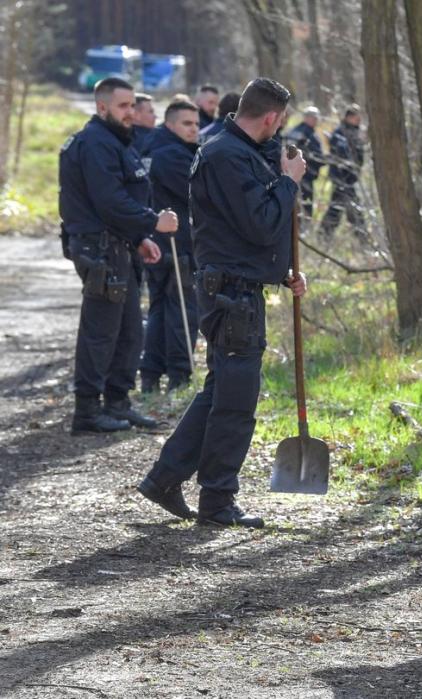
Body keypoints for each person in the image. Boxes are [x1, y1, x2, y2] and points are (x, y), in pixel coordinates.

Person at [136, 77, 307, 528]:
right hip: (230, 294)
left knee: (220, 392)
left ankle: (164, 478)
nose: (280, 131)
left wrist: (283, 270)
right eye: (280, 123)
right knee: (235, 401)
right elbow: (261, 223)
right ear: (270, 117)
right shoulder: (225, 156)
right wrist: (290, 184)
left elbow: (252, 231)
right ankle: (217, 500)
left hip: (239, 287)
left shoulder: (241, 151)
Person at [59, 77, 178, 433]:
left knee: (128, 331)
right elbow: (109, 201)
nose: (131, 113)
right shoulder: (96, 143)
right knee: (100, 331)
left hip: (118, 246)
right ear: (103, 107)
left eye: (133, 106)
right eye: (124, 106)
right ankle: (87, 412)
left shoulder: (113, 140)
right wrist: (152, 222)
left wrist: (139, 237)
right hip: (100, 250)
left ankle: (117, 403)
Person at [139, 100, 200, 394]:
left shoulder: (149, 148)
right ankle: (178, 373)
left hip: (154, 241)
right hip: (174, 244)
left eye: (197, 124)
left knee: (161, 309)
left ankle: (151, 373)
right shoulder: (172, 154)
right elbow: (197, 196)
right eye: (187, 124)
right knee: (181, 311)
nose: (194, 129)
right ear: (171, 123)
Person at [318, 104, 366, 240]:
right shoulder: (341, 133)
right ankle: (362, 237)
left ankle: (324, 235)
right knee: (352, 209)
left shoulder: (353, 132)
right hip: (342, 177)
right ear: (349, 118)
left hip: (349, 177)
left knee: (337, 207)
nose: (359, 121)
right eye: (357, 118)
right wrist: (346, 171)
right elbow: (341, 155)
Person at [285, 106, 326, 219]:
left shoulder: (304, 131)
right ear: (307, 118)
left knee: (303, 205)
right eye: (314, 117)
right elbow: (292, 153)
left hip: (303, 175)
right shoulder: (302, 132)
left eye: (317, 117)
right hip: (302, 175)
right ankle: (300, 232)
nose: (316, 120)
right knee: (303, 206)